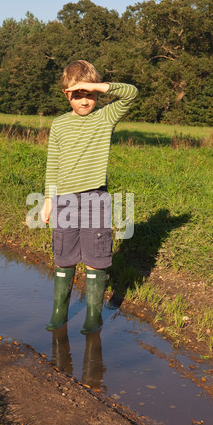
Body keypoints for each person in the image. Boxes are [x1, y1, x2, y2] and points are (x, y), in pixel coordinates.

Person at [40, 60, 138, 334]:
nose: (85, 101)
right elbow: (53, 164)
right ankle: (59, 314)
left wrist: (95, 85)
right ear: (66, 94)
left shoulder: (105, 117)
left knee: (97, 255)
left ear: (98, 94)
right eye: (77, 94)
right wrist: (48, 200)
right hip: (64, 201)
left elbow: (131, 93)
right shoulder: (59, 125)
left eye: (90, 95)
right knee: (64, 254)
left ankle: (93, 317)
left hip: (96, 198)